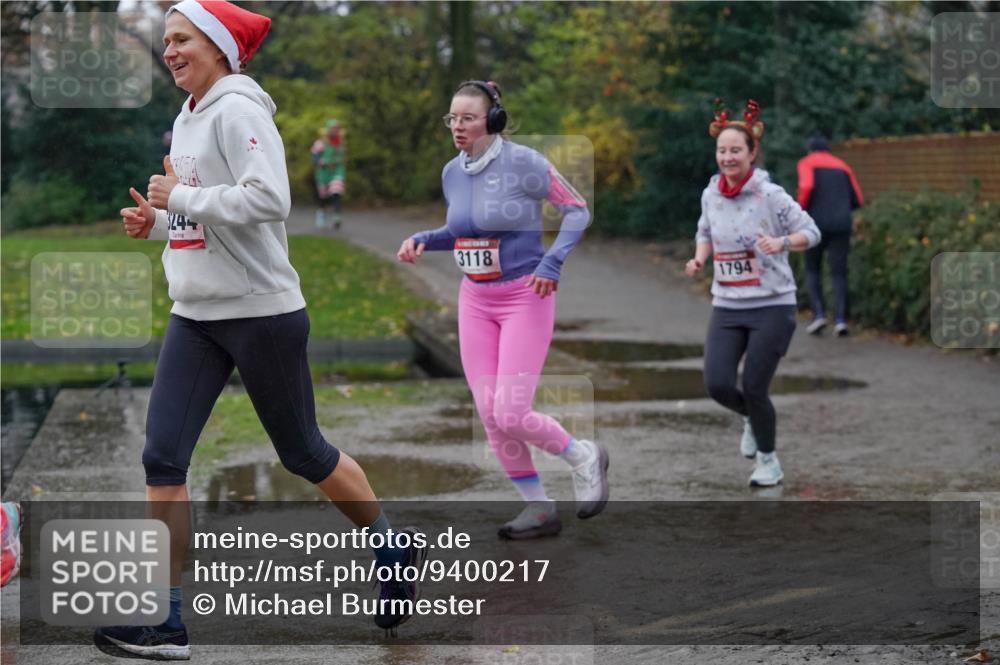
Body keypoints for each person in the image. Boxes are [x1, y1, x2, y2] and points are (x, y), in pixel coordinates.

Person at [105, 1, 425, 658]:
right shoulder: (188, 116)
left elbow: (269, 199)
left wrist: (182, 199)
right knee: (162, 457)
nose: (169, 51)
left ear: (219, 46)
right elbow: (201, 217)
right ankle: (166, 622)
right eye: (165, 40)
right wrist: (160, 224)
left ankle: (393, 543)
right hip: (195, 315)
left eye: (181, 39)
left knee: (304, 453)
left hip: (261, 313)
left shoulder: (240, 109)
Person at [397, 80, 609, 539]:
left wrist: (552, 263)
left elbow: (576, 210)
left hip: (523, 296)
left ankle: (583, 456)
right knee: (489, 412)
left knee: (511, 411)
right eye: (451, 118)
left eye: (467, 118)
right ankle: (538, 507)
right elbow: (464, 230)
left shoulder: (525, 163)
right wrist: (423, 239)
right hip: (476, 300)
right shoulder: (453, 172)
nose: (457, 126)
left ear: (492, 119)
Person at [685, 99, 821, 487]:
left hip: (773, 306)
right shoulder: (710, 194)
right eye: (722, 151)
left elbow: (812, 232)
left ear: (751, 153)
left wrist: (782, 243)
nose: (727, 158)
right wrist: (698, 259)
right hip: (728, 305)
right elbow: (705, 232)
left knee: (755, 386)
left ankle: (768, 460)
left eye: (735, 151)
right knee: (718, 384)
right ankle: (750, 417)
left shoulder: (770, 195)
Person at [797, 134, 864, 337]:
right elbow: (858, 198)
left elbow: (806, 186)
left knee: (813, 268)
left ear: (810, 149)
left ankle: (818, 315)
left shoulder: (806, 162)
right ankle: (841, 320)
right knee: (839, 272)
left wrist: (799, 209)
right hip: (842, 224)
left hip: (815, 225)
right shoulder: (843, 166)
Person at [311, 119, 346, 230]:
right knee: (323, 197)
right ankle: (321, 213)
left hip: (337, 171)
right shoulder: (321, 142)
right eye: (332, 129)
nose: (335, 131)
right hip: (324, 173)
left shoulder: (341, 143)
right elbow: (314, 154)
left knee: (336, 193)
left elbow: (343, 157)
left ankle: (337, 217)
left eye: (336, 129)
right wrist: (320, 161)